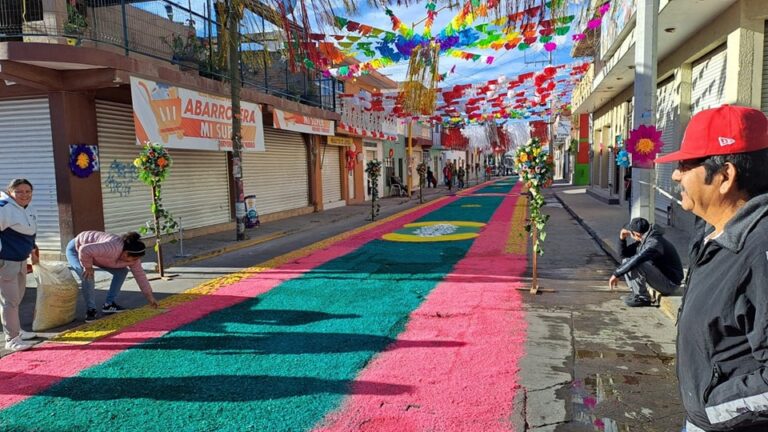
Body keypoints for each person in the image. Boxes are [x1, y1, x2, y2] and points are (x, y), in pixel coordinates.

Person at [654, 105, 768, 432]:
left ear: (725, 176)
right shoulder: (711, 231)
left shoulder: (758, 250)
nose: (675, 175)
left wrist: (714, 408)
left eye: (686, 165)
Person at [66, 231, 159, 322]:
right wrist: (88, 267)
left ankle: (109, 305)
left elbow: (140, 276)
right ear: (126, 253)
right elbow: (84, 249)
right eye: (134, 258)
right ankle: (91, 310)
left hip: (97, 256)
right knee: (88, 275)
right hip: (76, 249)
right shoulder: (112, 248)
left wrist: (150, 297)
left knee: (122, 272)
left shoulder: (134, 259)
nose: (135, 261)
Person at [608, 217, 683, 307]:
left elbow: (637, 259)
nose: (628, 233)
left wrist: (616, 274)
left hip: (670, 284)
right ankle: (636, 293)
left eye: (630, 232)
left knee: (636, 262)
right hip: (662, 278)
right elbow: (623, 255)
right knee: (627, 260)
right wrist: (622, 238)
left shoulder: (654, 244)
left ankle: (643, 297)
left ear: (637, 234)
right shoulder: (645, 239)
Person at [0, 178, 38, 352]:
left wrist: (33, 250)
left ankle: (17, 330)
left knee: (17, 298)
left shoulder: (29, 208)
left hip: (21, 260)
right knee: (10, 301)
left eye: (28, 191)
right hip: (6, 261)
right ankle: (12, 339)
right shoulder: (4, 208)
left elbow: (31, 232)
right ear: (10, 192)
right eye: (19, 192)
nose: (24, 195)